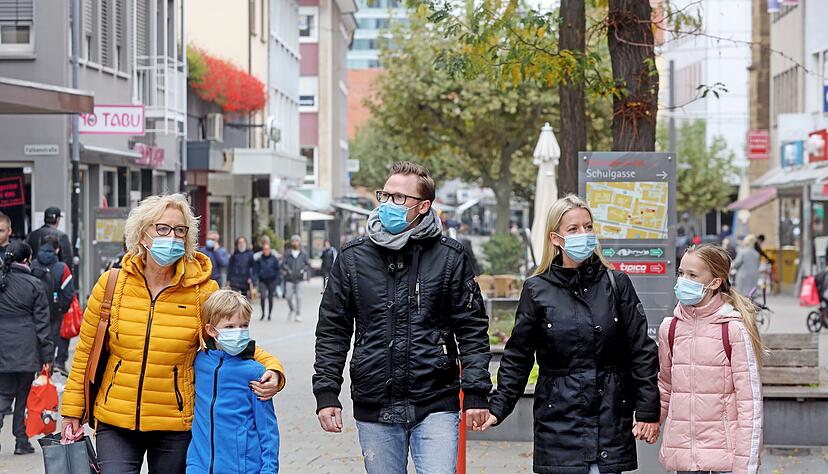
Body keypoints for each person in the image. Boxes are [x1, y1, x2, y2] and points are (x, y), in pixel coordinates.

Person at [60, 194, 286, 473]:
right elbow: (85, 352)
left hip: (174, 423)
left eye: (180, 230)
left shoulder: (201, 290)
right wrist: (72, 410)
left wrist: (274, 370)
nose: (173, 236)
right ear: (143, 234)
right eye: (163, 229)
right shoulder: (112, 284)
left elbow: (233, 339)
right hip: (116, 418)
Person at [313, 161, 492, 474]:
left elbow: (472, 330)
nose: (387, 204)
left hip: (435, 399)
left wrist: (476, 392)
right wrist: (327, 392)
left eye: (399, 198)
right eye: (385, 195)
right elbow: (333, 330)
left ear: (423, 207)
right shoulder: (353, 256)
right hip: (375, 402)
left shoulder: (450, 257)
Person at [480, 195, 660, 474]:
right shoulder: (537, 290)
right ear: (556, 238)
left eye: (588, 227)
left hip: (608, 420)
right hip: (559, 422)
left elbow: (641, 350)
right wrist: (498, 406)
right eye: (573, 229)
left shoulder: (616, 284)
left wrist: (648, 409)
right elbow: (518, 355)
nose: (584, 235)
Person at [659, 244, 764, 474]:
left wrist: (746, 466)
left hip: (725, 460)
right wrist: (649, 421)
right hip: (683, 457)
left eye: (692, 275)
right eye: (681, 273)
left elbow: (750, 404)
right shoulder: (671, 328)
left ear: (715, 282)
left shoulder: (733, 330)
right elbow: (666, 386)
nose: (683, 280)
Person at [186, 290, 280, 473]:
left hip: (242, 468)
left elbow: (268, 430)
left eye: (243, 325)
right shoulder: (198, 362)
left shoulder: (255, 372)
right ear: (211, 330)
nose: (238, 332)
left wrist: (269, 470)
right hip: (198, 466)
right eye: (230, 327)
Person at [0, 240, 53, 455]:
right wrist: (47, 355)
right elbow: (42, 324)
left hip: (2, 345)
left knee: (2, 395)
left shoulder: (2, 280)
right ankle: (21, 442)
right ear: (26, 259)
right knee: (22, 395)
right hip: (26, 347)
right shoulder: (34, 284)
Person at [30, 235, 74, 377]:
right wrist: (61, 309)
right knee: (51, 344)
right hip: (55, 313)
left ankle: (35, 377)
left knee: (35, 344)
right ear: (57, 249)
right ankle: (46, 377)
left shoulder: (32, 265)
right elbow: (68, 294)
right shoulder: (62, 267)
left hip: (34, 313)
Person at [281, 235, 309, 321]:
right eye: (293, 241)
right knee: (288, 296)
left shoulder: (303, 253)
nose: (295, 243)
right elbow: (283, 263)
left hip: (299, 279)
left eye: (297, 241)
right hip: (289, 279)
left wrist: (303, 270)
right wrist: (287, 270)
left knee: (299, 297)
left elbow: (307, 264)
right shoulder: (287, 253)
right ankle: (291, 309)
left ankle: (298, 314)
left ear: (299, 242)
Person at [254, 242, 282, 321]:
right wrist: (255, 279)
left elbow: (277, 270)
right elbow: (256, 270)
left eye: (267, 249)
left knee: (270, 297)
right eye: (264, 249)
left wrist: (277, 280)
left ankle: (269, 314)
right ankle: (263, 313)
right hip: (262, 280)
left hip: (272, 280)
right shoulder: (259, 259)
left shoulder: (274, 259)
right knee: (262, 296)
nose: (266, 251)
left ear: (270, 250)